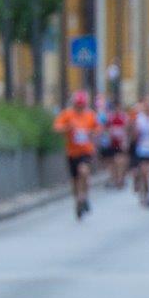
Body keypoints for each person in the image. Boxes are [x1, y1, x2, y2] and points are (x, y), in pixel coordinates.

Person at [53, 91, 102, 220]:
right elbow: (57, 127)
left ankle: (84, 196)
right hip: (72, 152)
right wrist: (67, 128)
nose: (79, 108)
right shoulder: (67, 114)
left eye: (82, 105)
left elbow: (98, 128)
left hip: (86, 150)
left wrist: (92, 133)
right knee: (74, 180)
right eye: (77, 105)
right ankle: (78, 202)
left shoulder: (90, 115)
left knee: (84, 171)